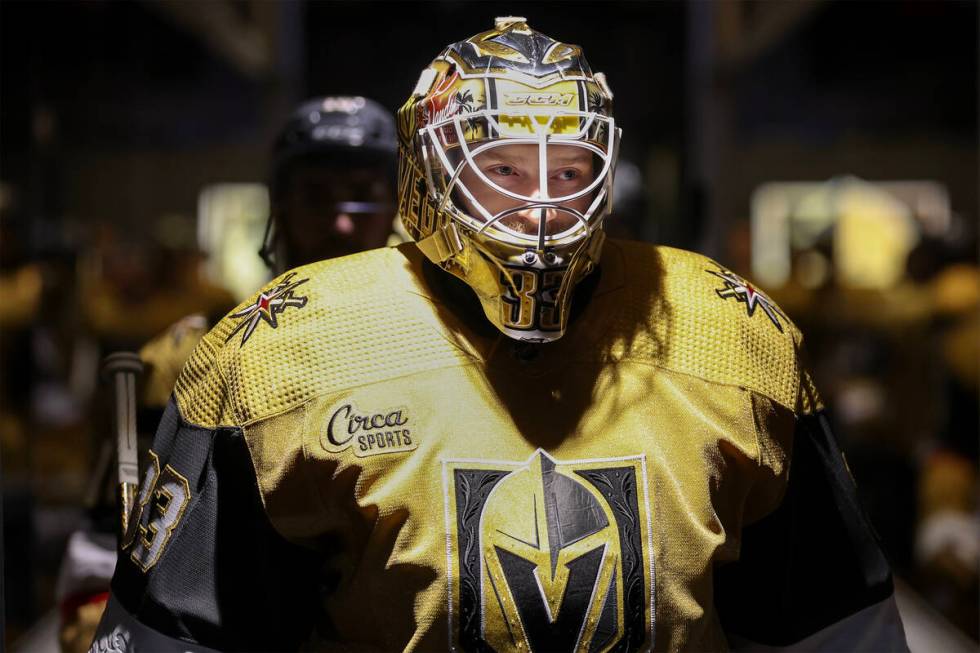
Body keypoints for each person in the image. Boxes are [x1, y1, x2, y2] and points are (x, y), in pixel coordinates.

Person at [91, 18, 907, 652]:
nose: (542, 205)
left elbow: (830, 621)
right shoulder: (280, 345)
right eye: (506, 169)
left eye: (571, 170)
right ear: (428, 171)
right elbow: (181, 630)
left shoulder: (733, 330)